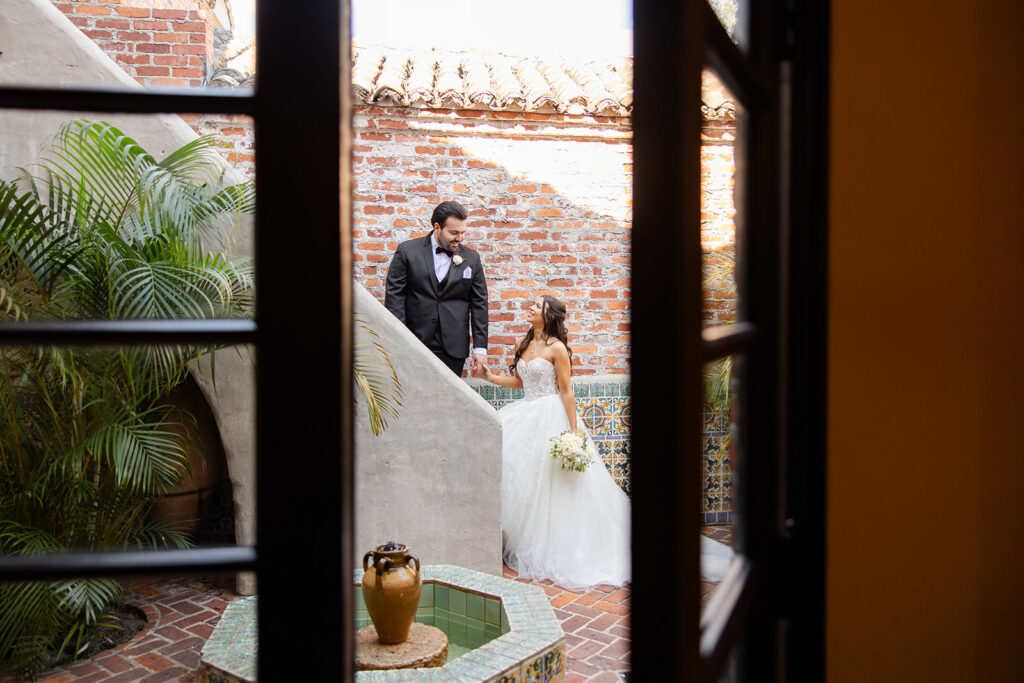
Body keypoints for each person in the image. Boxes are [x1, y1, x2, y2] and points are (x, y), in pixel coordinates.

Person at [475, 295, 631, 589]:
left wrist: (574, 431)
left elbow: (567, 391)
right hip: (525, 412)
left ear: (548, 315)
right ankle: (523, 540)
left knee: (552, 485)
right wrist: (490, 377)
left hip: (550, 416)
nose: (530, 308)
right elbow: (521, 383)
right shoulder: (524, 344)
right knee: (520, 479)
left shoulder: (557, 348)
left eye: (536, 305)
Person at [384, 201, 488, 376]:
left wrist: (480, 348)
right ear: (437, 227)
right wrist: (401, 339)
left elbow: (479, 304)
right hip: (414, 340)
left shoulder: (472, 258)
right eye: (454, 232)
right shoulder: (407, 251)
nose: (460, 238)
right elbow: (395, 298)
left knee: (448, 400)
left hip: (453, 345)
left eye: (463, 232)